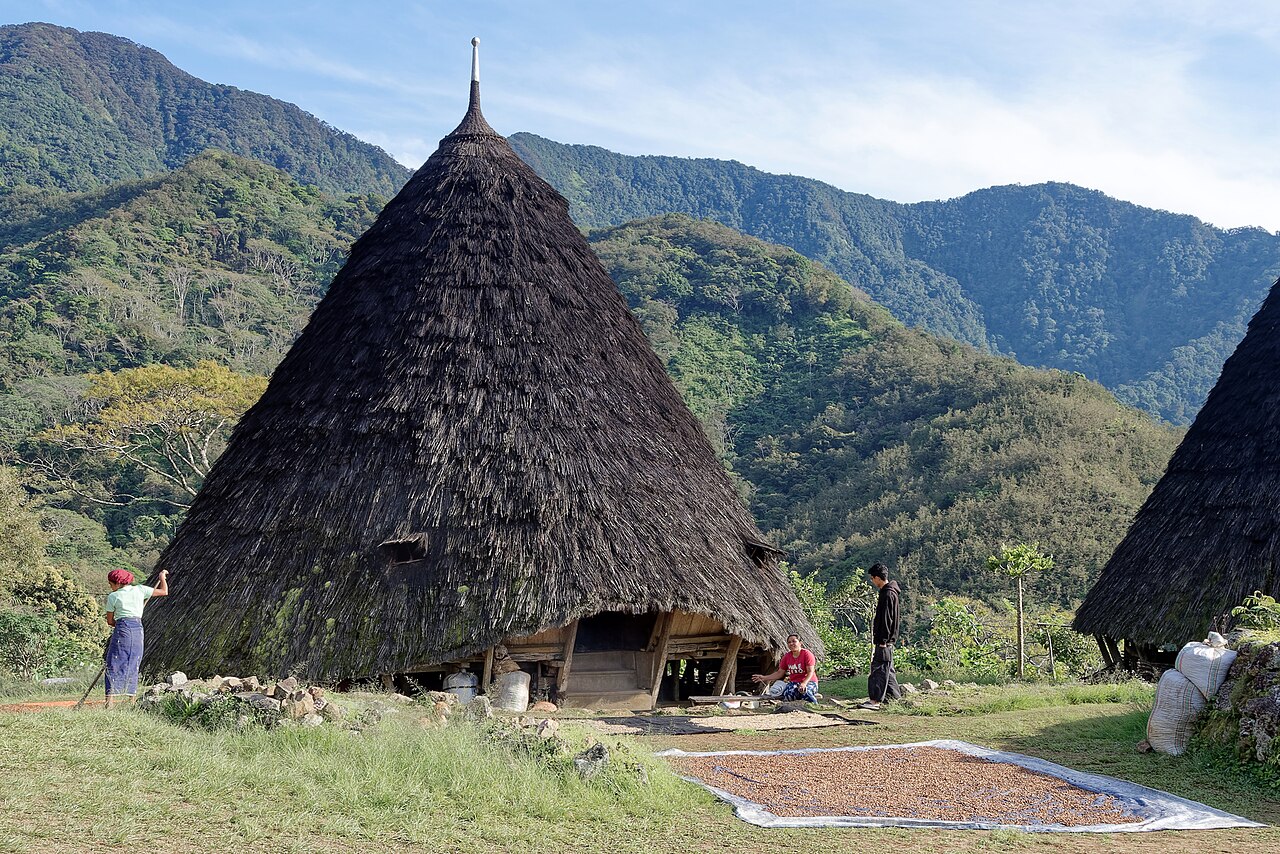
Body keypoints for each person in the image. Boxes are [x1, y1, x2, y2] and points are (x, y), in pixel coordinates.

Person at [103, 567, 168, 707]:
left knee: (113, 662)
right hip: (138, 629)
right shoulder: (140, 589)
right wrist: (162, 577)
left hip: (122, 629)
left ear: (117, 583)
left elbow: (110, 621)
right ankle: (131, 701)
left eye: (111, 584)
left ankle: (109, 702)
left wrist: (120, 625)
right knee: (134, 661)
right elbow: (164, 591)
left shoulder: (113, 596)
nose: (110, 587)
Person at [861, 563, 901, 710]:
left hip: (884, 640)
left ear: (878, 577)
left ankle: (875, 701)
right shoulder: (892, 592)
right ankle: (894, 698)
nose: (872, 581)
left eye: (872, 578)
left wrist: (882, 640)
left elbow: (886, 619)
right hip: (888, 640)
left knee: (878, 669)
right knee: (888, 670)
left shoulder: (887, 593)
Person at [751, 633, 818, 702]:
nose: (791, 643)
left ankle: (814, 707)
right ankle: (791, 709)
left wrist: (804, 683)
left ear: (800, 643)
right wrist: (764, 677)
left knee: (805, 692)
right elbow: (780, 673)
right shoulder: (786, 657)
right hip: (794, 683)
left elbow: (810, 672)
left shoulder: (807, 654)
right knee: (788, 694)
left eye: (794, 641)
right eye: (789, 642)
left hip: (809, 682)